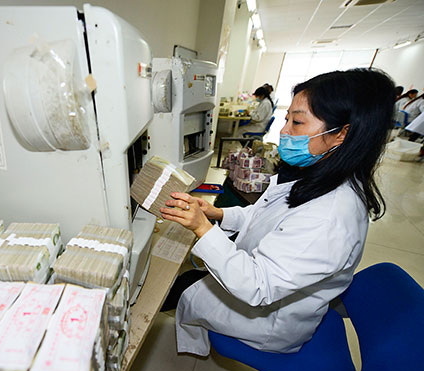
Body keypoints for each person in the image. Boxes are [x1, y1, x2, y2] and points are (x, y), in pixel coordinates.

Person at [160, 68, 395, 355]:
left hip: (269, 317)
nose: (284, 131)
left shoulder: (330, 216)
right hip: (264, 284)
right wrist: (217, 215)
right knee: (187, 281)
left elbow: (258, 287)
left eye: (297, 122)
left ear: (341, 134)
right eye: (287, 118)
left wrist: (202, 229)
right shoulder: (317, 171)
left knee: (176, 289)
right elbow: (263, 217)